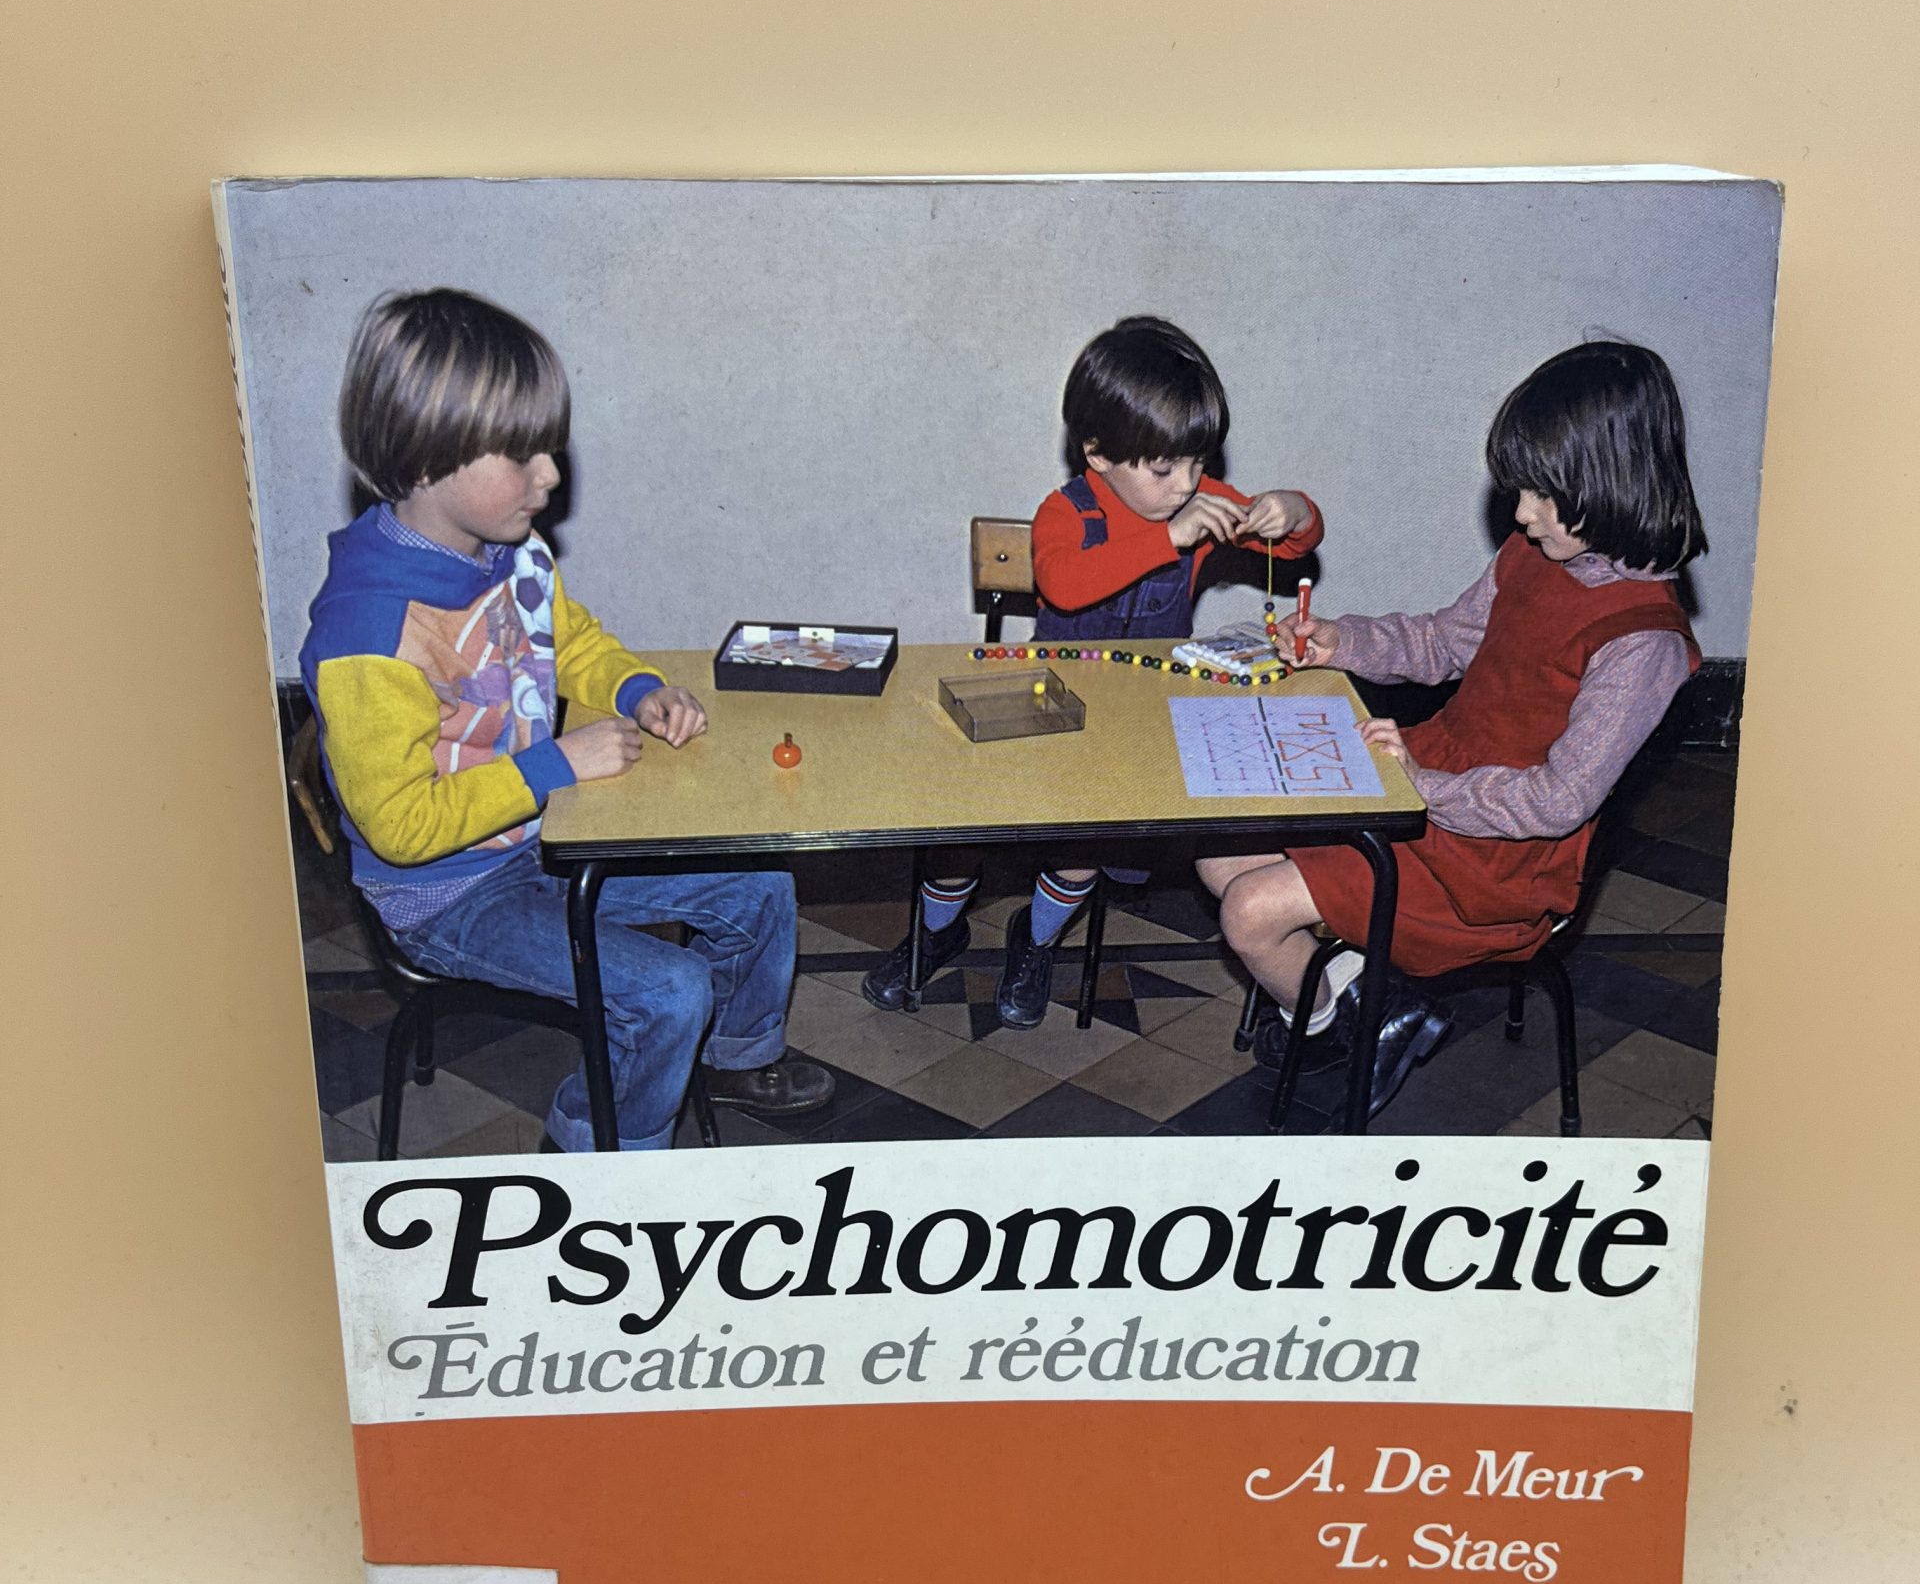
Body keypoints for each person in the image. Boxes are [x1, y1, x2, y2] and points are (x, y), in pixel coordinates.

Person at [302, 287, 834, 1150]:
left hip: (537, 838)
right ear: (425, 459)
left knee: (759, 888)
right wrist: (558, 763)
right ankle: (594, 1146)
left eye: (549, 447)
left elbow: (570, 638)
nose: (550, 475)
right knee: (669, 992)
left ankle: (733, 1059)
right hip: (445, 896)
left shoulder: (508, 550)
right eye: (521, 454)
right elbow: (400, 829)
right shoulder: (372, 635)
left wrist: (635, 689)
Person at [1201, 339, 1704, 1119]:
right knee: (1218, 853)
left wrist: (1422, 789)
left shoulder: (1643, 641)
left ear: (1612, 484)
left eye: (1542, 493)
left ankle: (1338, 1027)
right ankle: (1370, 1008)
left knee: (1249, 910)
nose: (1522, 512)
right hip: (1432, 780)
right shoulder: (1535, 552)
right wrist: (1342, 640)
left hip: (1499, 858)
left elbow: (1558, 801)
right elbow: (1443, 642)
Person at [863, 315, 1322, 1026]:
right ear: (1098, 453)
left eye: (1197, 463)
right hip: (1045, 704)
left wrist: (1291, 511)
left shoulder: (1198, 497)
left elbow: (1294, 546)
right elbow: (1066, 584)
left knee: (1085, 846)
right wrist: (1167, 539)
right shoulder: (1066, 512)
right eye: (1164, 469)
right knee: (957, 834)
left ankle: (1036, 938)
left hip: (1136, 721)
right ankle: (934, 932)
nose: (1186, 486)